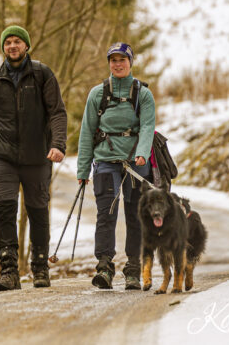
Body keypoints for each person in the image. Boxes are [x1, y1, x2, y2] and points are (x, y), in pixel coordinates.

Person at [0, 25, 68, 291]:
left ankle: (40, 268)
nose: (12, 46)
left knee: (37, 211)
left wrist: (58, 144)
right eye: (8, 42)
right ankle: (9, 271)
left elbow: (57, 112)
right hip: (3, 157)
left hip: (38, 156)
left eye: (17, 41)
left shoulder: (42, 74)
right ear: (3, 47)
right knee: (3, 210)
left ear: (26, 45)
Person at [77, 42, 155, 290]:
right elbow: (87, 132)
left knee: (136, 216)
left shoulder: (143, 94)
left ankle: (133, 269)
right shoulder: (97, 94)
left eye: (122, 59)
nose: (118, 64)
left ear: (130, 62)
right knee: (105, 215)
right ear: (109, 63)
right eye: (113, 60)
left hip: (135, 164)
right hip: (105, 162)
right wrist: (82, 170)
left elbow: (147, 126)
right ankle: (104, 267)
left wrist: (142, 152)